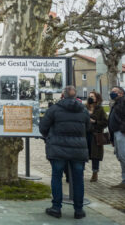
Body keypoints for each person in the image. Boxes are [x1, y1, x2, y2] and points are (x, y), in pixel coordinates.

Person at [39, 86, 90, 219]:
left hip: (58, 149)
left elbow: (43, 127)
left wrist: (49, 137)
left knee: (57, 177)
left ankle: (56, 208)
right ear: (75, 96)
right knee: (78, 179)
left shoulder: (54, 109)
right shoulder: (83, 110)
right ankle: (79, 210)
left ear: (63, 95)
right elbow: (88, 128)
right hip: (78, 150)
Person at [86, 91, 108, 182]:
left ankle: (95, 173)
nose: (90, 98)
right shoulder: (84, 108)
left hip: (95, 135)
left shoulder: (100, 109)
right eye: (89, 96)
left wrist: (95, 122)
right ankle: (79, 171)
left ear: (97, 98)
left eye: (92, 96)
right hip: (85, 134)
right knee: (83, 153)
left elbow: (105, 122)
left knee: (95, 155)